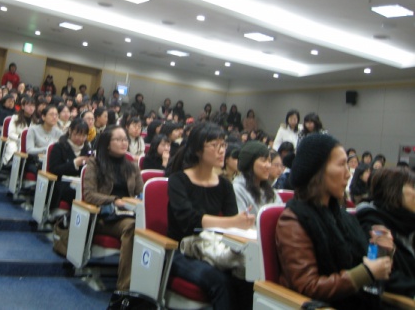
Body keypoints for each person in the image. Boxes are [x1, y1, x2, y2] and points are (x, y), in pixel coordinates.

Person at [276, 133, 393, 309]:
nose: (348, 174)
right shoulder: (293, 220)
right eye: (341, 165)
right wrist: (366, 272)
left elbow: (362, 263)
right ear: (318, 171)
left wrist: (383, 251)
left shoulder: (341, 215)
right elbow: (307, 286)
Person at [167, 122, 255, 309]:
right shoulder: (178, 180)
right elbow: (189, 220)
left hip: (213, 246)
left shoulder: (224, 185)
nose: (222, 151)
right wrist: (233, 221)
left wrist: (240, 224)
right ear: (198, 150)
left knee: (248, 276)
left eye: (223, 145)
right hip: (181, 250)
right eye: (215, 145)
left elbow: (232, 226)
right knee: (220, 281)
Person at [83, 125, 144, 291]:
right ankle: (125, 288)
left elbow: (141, 193)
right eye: (118, 139)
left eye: (125, 139)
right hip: (107, 216)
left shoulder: (132, 166)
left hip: (130, 213)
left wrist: (137, 201)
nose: (124, 143)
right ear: (107, 144)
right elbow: (89, 195)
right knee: (132, 227)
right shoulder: (95, 163)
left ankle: (148, 287)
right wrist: (114, 200)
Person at [356, 167, 415, 298]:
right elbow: (384, 275)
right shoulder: (373, 225)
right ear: (394, 191)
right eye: (413, 187)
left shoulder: (407, 225)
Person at [49, 118, 92, 208]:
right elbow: (54, 169)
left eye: (83, 136)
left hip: (80, 184)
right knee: (80, 195)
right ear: (70, 131)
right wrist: (74, 163)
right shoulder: (59, 147)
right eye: (77, 134)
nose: (80, 138)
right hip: (62, 183)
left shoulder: (87, 150)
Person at [233, 141, 282, 218]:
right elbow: (242, 221)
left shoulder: (268, 189)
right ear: (249, 162)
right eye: (264, 160)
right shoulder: (237, 189)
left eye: (269, 161)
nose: (268, 166)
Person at [2, 95, 35, 165]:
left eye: (33, 106)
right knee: (13, 147)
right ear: (22, 106)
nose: (31, 108)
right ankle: (9, 164)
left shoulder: (35, 122)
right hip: (14, 141)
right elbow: (10, 133)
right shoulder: (15, 118)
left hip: (29, 144)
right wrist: (21, 138)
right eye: (29, 105)